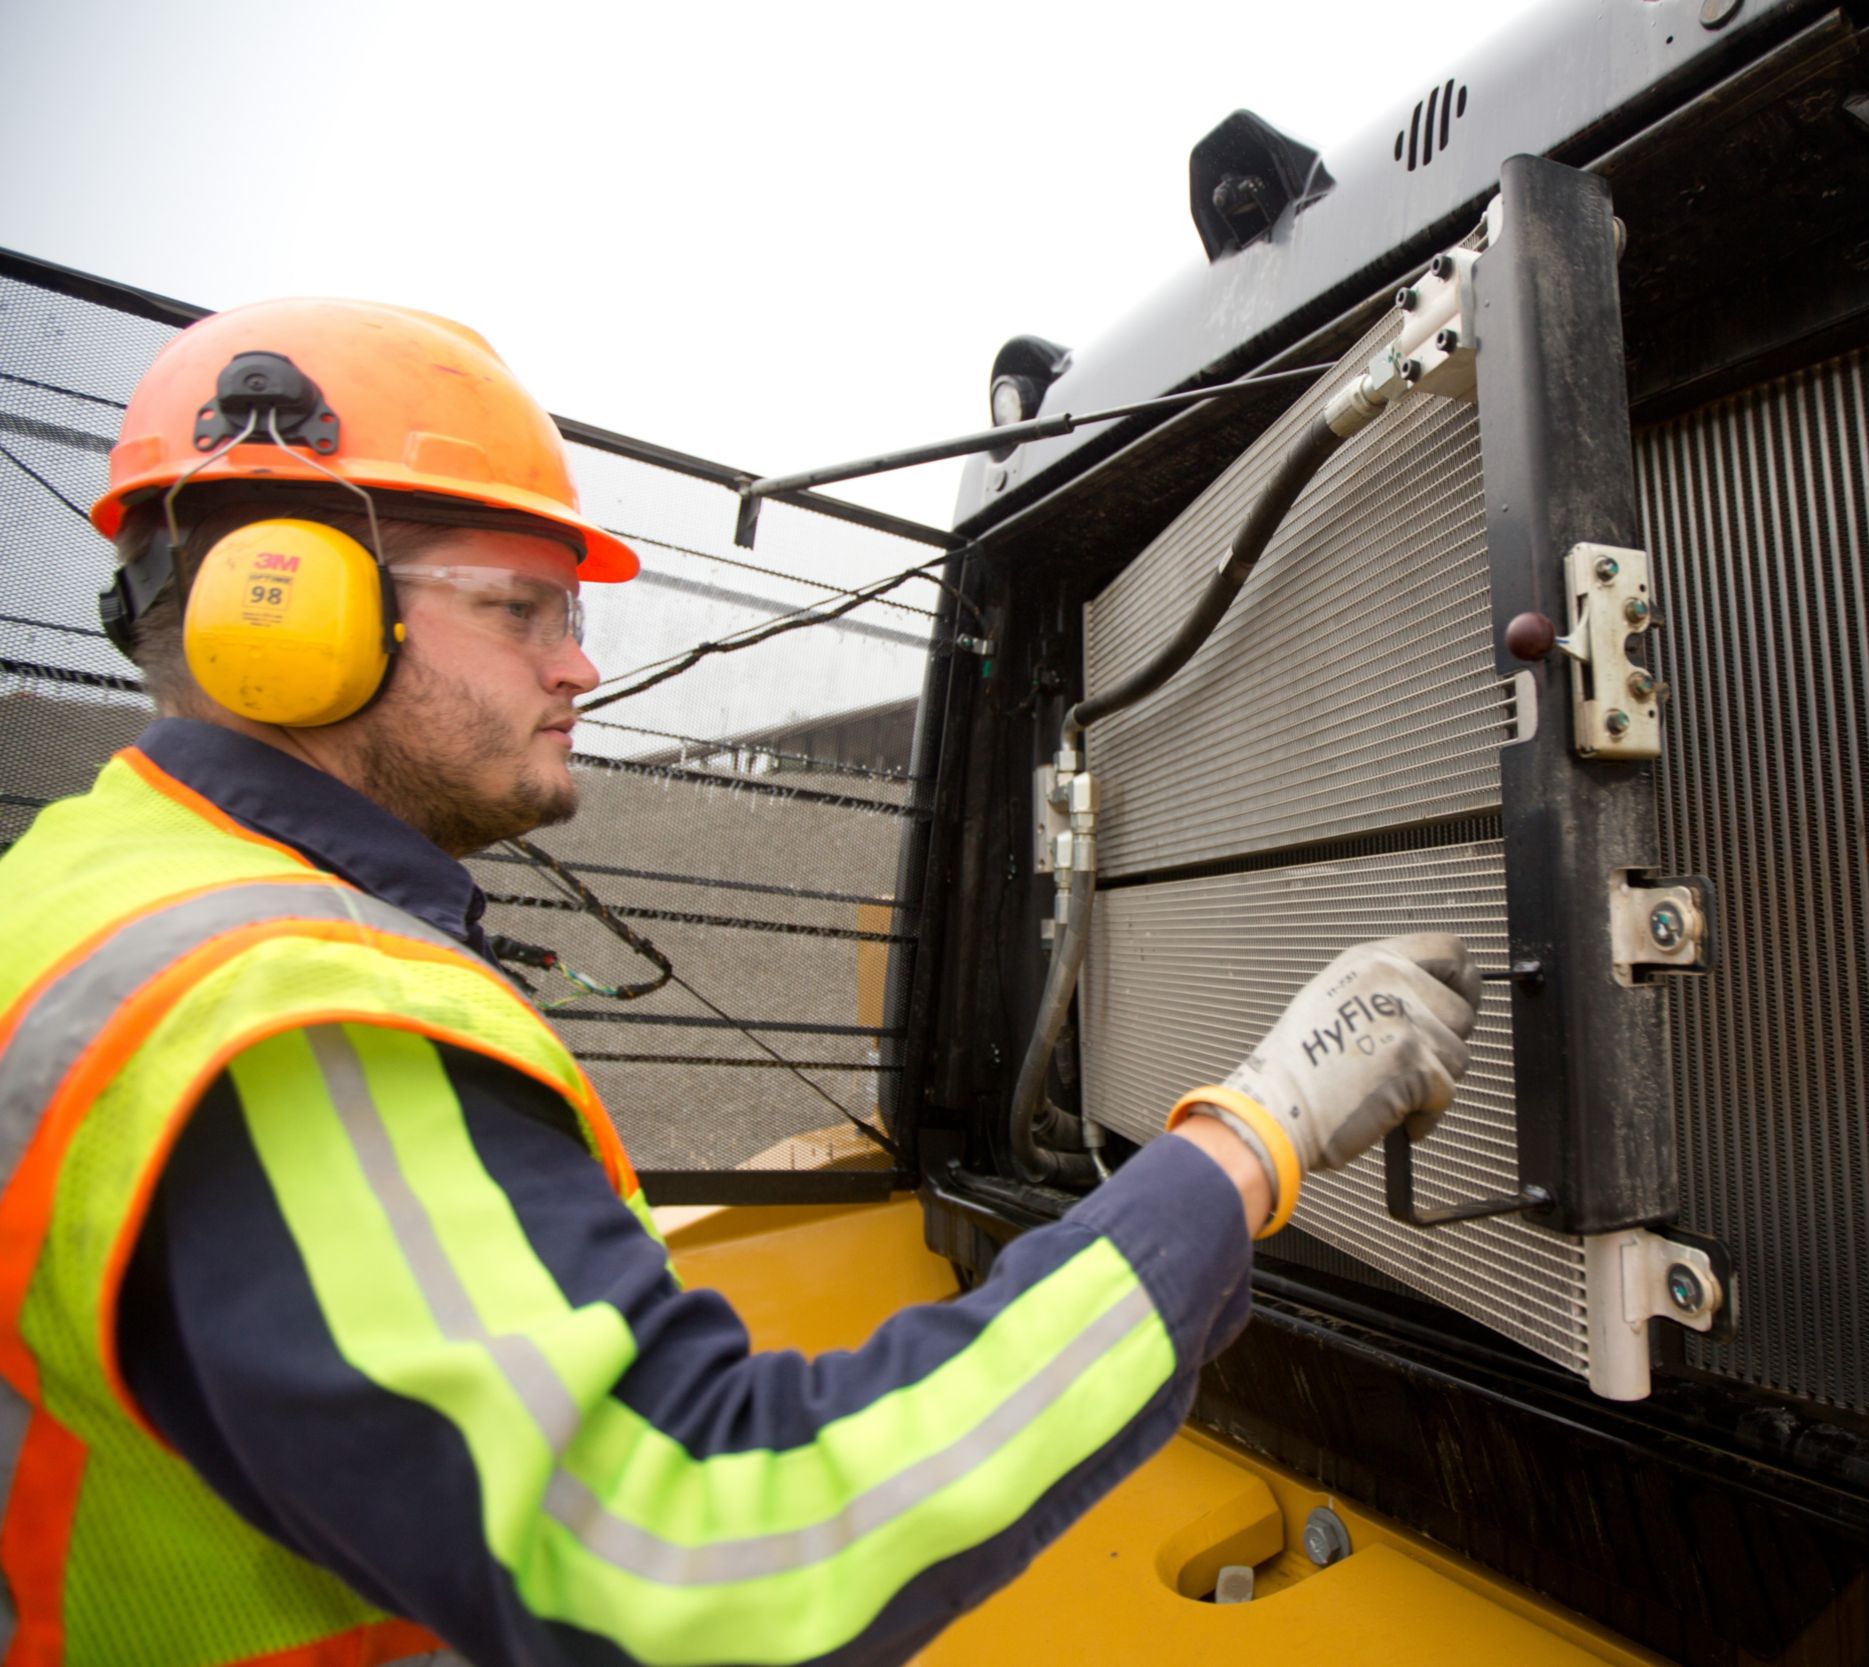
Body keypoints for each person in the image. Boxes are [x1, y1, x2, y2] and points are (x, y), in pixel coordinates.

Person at [0, 298, 1481, 1666]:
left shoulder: (88, 888)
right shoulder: (267, 1011)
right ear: (288, 615)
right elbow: (712, 1561)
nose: (579, 669)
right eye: (525, 609)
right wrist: (1249, 1145)